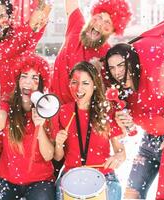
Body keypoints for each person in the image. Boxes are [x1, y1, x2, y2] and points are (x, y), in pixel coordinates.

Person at [104, 42, 164, 199]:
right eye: (112, 68)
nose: (117, 72)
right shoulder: (122, 92)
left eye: (121, 65)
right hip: (147, 144)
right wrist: (125, 124)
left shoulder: (156, 82)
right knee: (131, 195)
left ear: (131, 61)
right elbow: (131, 127)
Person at [0, 54, 55, 200]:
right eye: (24, 76)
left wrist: (40, 127)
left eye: (35, 78)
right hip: (7, 180)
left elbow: (48, 155)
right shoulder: (8, 104)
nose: (28, 82)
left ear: (41, 84)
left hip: (40, 181)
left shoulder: (47, 108)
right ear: (18, 80)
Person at [54, 61, 126, 200]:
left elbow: (121, 152)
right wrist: (58, 143)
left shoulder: (107, 111)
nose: (79, 88)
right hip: (71, 176)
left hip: (103, 175)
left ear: (94, 86)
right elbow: (58, 157)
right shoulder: (63, 111)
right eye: (74, 82)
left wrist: (117, 157)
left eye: (85, 83)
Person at [51, 0, 132, 105]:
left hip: (75, 117)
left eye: (107, 22)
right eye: (99, 17)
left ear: (113, 30)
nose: (99, 23)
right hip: (49, 108)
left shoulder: (109, 58)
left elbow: (115, 98)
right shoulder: (77, 26)